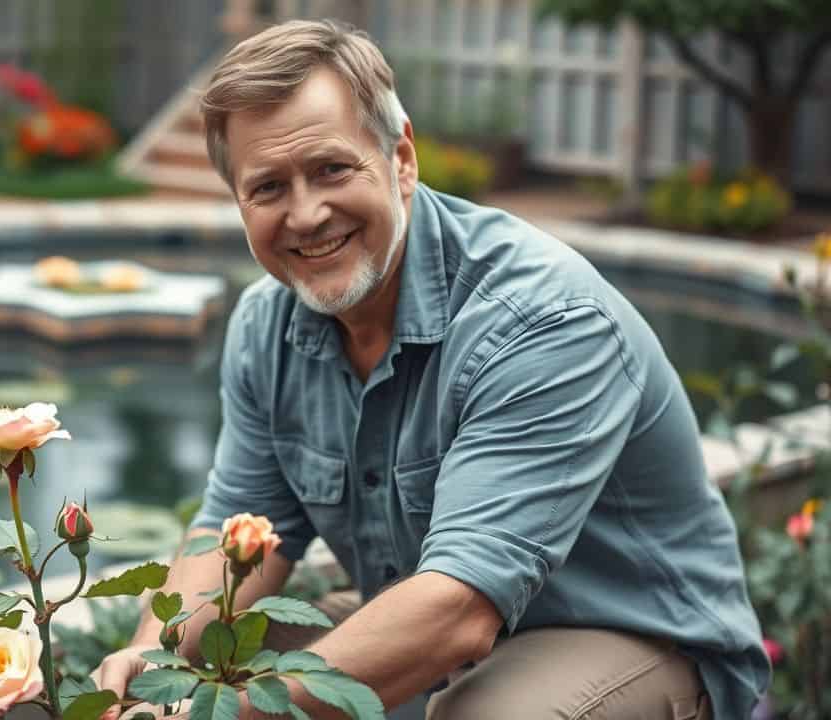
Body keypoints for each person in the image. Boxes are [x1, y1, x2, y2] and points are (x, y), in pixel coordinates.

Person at [94, 18, 768, 720]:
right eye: (268, 188)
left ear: (402, 160)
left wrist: (229, 717)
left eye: (331, 168)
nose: (306, 213)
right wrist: (159, 651)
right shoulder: (266, 326)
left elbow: (455, 612)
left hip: (632, 632)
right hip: (437, 614)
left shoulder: (541, 319)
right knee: (221, 659)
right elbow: (241, 529)